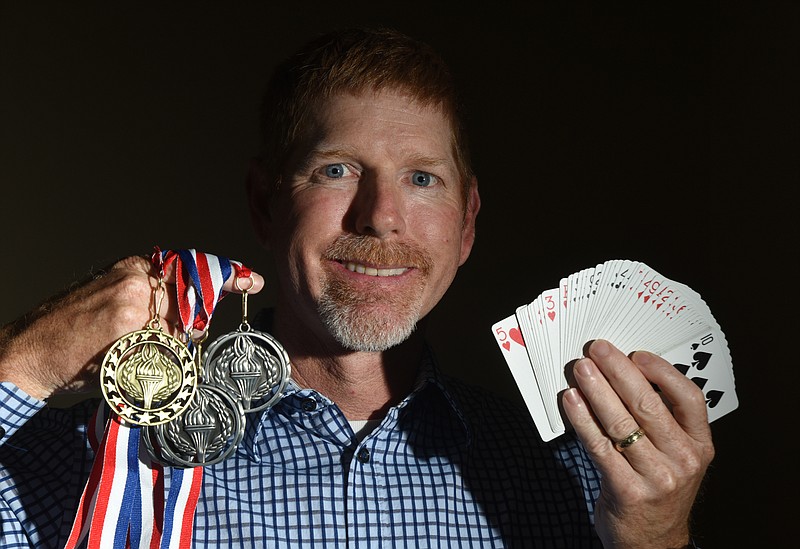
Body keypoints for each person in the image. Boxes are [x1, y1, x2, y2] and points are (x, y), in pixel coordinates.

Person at [0, 27, 714, 548]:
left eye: (422, 178)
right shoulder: (109, 456)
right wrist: (21, 360)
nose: (380, 216)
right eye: (337, 169)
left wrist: (658, 538)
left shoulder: (580, 483)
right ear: (263, 203)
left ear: (465, 227)